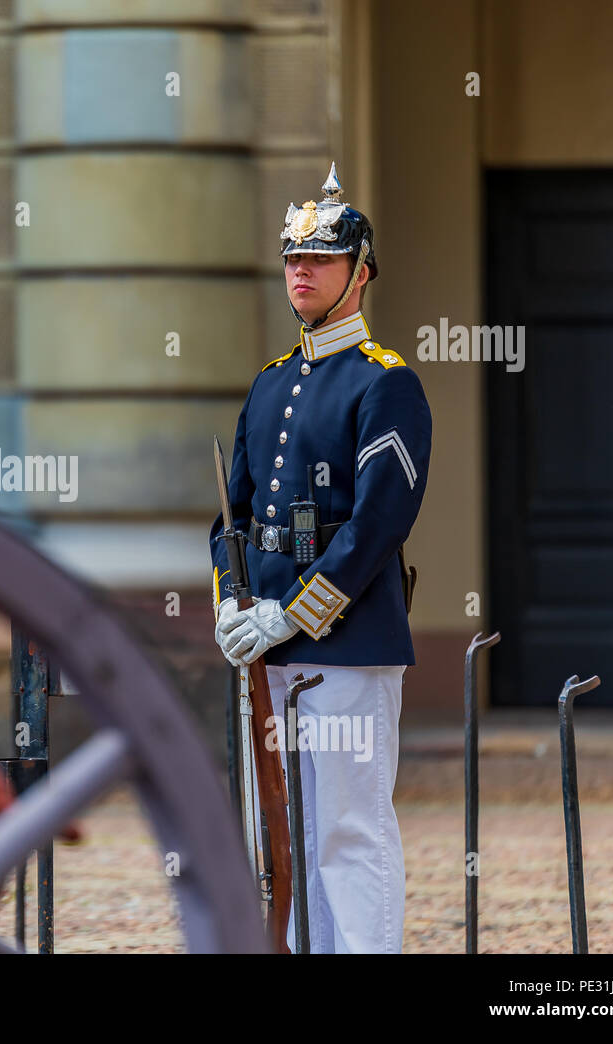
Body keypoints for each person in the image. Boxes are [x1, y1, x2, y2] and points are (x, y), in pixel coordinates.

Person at [208, 163, 431, 953]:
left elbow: (376, 525)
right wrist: (233, 606)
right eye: (294, 258)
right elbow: (230, 516)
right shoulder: (269, 386)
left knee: (347, 831)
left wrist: (286, 612)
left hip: (347, 647)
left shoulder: (386, 384)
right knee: (288, 838)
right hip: (269, 652)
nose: (301, 271)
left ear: (359, 273)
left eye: (321, 258)